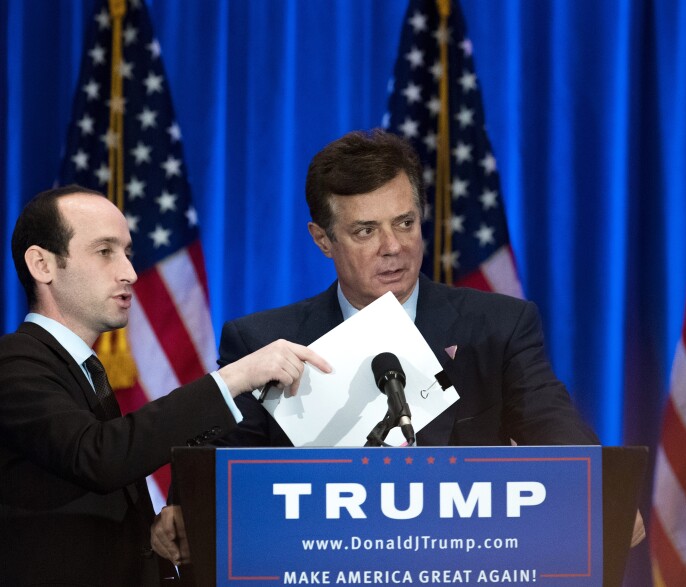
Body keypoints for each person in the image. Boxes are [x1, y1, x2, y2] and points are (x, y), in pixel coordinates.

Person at [150, 129, 600, 565]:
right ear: (322, 240)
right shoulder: (263, 342)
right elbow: (216, 471)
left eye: (405, 223)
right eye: (365, 231)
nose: (393, 247)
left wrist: (602, 498)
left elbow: (552, 425)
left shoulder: (498, 327)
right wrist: (184, 512)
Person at [0, 185, 330, 586]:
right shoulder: (14, 363)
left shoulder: (80, 369)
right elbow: (99, 457)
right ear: (42, 265)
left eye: (127, 253)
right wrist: (234, 378)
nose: (130, 273)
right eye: (104, 252)